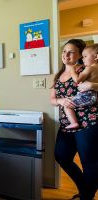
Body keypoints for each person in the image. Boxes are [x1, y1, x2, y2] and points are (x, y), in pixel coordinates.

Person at [50, 39, 98, 200]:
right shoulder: (57, 75)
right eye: (64, 51)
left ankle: (86, 196)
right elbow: (52, 99)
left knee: (89, 163)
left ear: (79, 55)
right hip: (68, 124)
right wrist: (60, 101)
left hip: (88, 122)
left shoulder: (87, 68)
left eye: (71, 52)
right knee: (61, 156)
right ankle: (84, 189)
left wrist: (92, 86)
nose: (66, 55)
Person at [64, 43, 98, 129]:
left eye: (85, 56)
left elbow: (77, 80)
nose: (83, 59)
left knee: (67, 105)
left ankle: (74, 122)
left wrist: (72, 69)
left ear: (96, 57)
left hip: (87, 95)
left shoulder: (89, 68)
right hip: (94, 96)